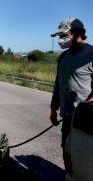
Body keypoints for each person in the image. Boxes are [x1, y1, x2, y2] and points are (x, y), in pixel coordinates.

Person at [50, 18, 93, 173]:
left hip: (88, 120)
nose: (61, 40)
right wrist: (53, 109)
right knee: (67, 153)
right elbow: (58, 84)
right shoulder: (63, 57)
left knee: (86, 159)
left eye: (64, 35)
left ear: (76, 33)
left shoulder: (91, 54)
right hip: (68, 117)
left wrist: (87, 104)